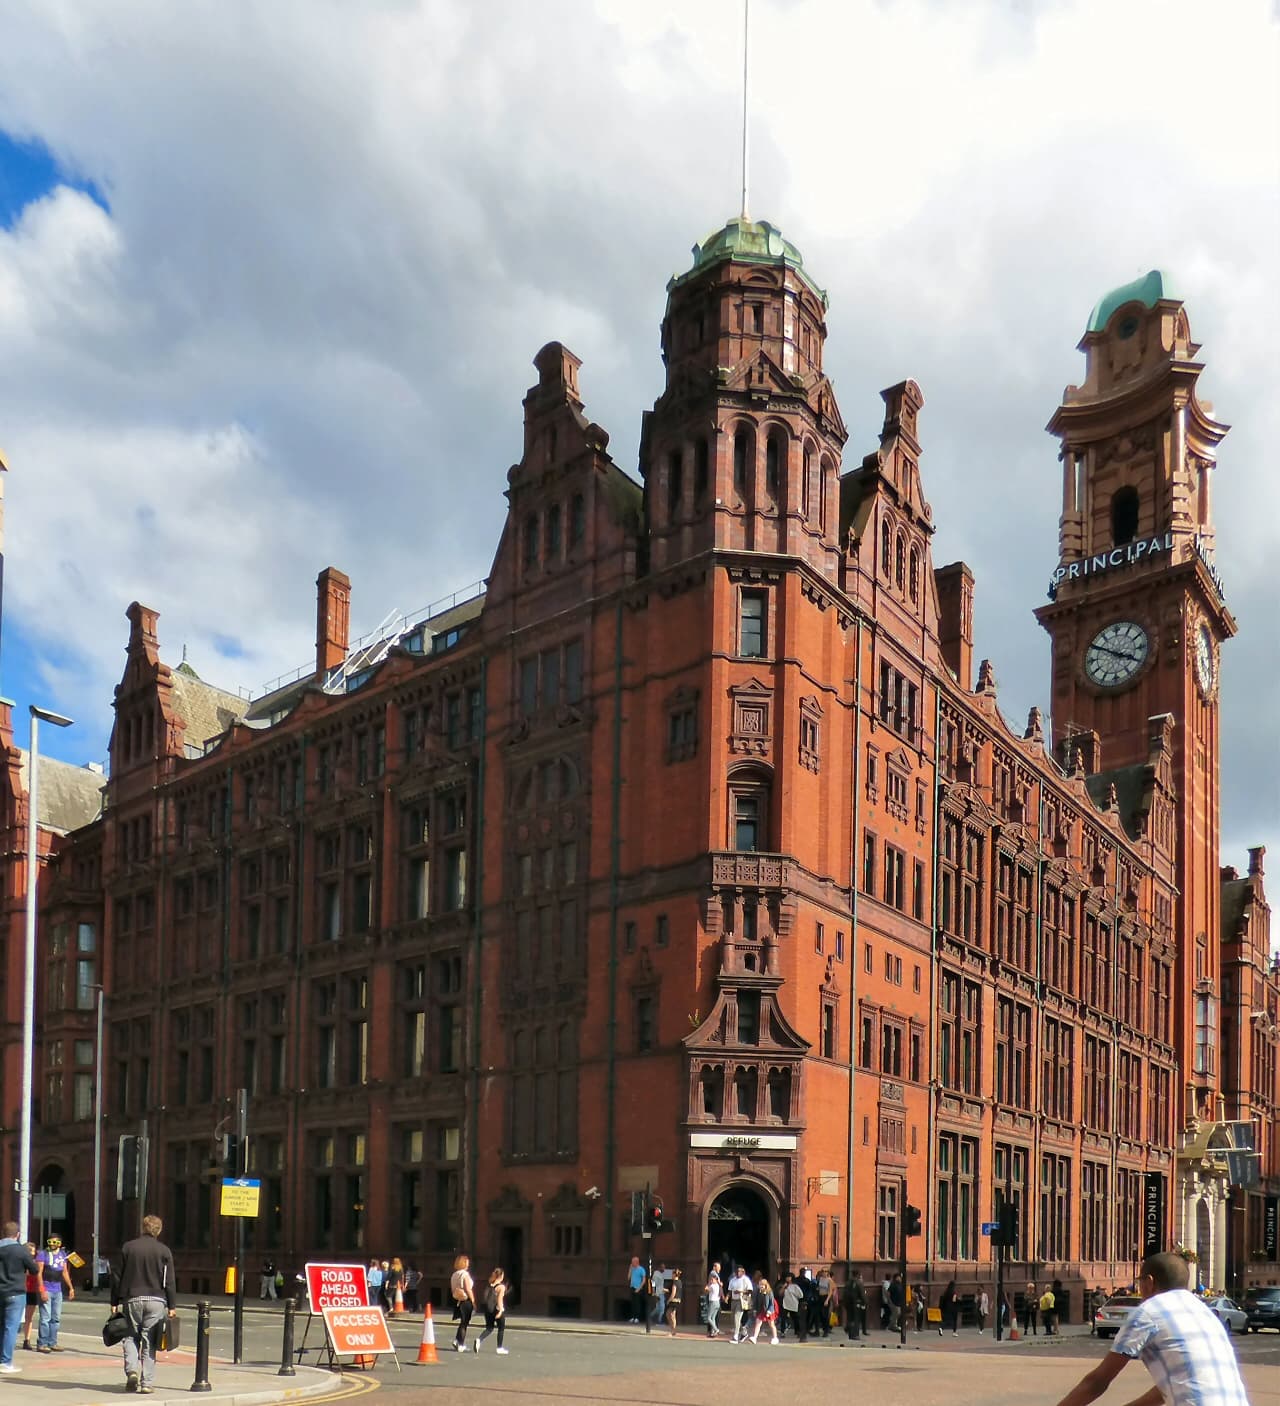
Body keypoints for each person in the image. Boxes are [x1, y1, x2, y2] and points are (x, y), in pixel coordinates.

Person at [1052, 1252, 1247, 1406]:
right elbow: (1173, 1383)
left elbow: (1097, 1382)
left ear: (1149, 1282)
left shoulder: (1149, 1312)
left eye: (1140, 1282)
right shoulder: (1203, 1312)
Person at [113, 1213, 177, 1394]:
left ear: (143, 1228)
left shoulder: (128, 1247)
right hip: (156, 1299)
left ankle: (131, 1371)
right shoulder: (164, 1251)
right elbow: (170, 1281)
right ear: (159, 1230)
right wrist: (172, 1306)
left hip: (132, 1298)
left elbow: (117, 1276)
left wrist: (114, 1300)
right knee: (150, 1340)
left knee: (130, 1336)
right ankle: (147, 1383)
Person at [0, 1225, 43, 1374]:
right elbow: (35, 1269)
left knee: (1, 1326)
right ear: (17, 1234)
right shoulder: (21, 1250)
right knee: (11, 1327)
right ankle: (5, 1362)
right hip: (15, 1291)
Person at [36, 1234, 74, 1351]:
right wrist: (42, 1290)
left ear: (60, 1244)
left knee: (55, 1318)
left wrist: (71, 1288)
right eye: (50, 1242)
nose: (53, 1244)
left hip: (57, 1290)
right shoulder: (43, 1254)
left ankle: (52, 1342)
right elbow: (39, 1273)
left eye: (55, 1242)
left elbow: (64, 1272)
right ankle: (42, 1343)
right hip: (46, 1288)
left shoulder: (62, 1254)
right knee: (45, 1318)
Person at [473, 1267, 508, 1354]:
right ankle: (499, 1348)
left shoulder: (489, 1284)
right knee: (501, 1328)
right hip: (496, 1309)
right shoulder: (501, 1287)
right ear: (501, 1276)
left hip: (488, 1309)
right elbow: (499, 1300)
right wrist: (500, 1311)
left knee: (489, 1328)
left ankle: (479, 1339)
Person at [450, 1254, 476, 1351]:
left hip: (457, 1300)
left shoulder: (454, 1275)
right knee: (464, 1323)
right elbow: (468, 1289)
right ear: (463, 1263)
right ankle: (460, 1344)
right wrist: (473, 1301)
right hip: (465, 1300)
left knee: (462, 1322)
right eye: (467, 1262)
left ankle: (457, 1340)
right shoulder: (465, 1275)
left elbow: (453, 1289)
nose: (468, 1265)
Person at [747, 1275, 779, 1345]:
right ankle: (754, 1338)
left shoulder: (769, 1292)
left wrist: (769, 1311)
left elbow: (772, 1303)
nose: (761, 1286)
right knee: (758, 1323)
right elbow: (756, 1301)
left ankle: (775, 1338)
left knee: (771, 1324)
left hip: (769, 1310)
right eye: (760, 1285)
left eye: (762, 1285)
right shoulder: (758, 1292)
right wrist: (755, 1309)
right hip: (761, 1310)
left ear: (765, 1285)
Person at [21, 1245, 40, 1351]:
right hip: (21, 1290)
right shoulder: (20, 1261)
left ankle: (26, 1340)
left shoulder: (35, 1263)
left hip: (32, 1291)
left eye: (34, 1251)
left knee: (29, 1317)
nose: (33, 1253)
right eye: (31, 1251)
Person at [727, 1265, 752, 1343]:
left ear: (743, 1272)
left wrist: (740, 1291)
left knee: (737, 1317)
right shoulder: (733, 1280)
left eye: (739, 1271)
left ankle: (735, 1337)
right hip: (734, 1300)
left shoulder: (746, 1280)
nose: (738, 1273)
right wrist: (727, 1297)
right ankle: (744, 1333)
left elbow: (750, 1290)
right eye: (737, 1271)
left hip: (741, 1300)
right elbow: (730, 1290)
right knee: (733, 1318)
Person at [842, 1270, 866, 1341]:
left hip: (848, 1304)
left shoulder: (848, 1283)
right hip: (856, 1303)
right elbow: (862, 1294)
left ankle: (850, 1334)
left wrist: (845, 1303)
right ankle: (855, 1335)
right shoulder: (859, 1283)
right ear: (858, 1275)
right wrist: (865, 1302)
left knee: (850, 1319)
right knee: (856, 1319)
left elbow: (844, 1294)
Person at [782, 1274, 805, 1341]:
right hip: (785, 1304)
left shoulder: (795, 1286)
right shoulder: (785, 1285)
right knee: (783, 1318)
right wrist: (783, 1287)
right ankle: (783, 1331)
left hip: (793, 1304)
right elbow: (780, 1294)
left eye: (789, 1277)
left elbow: (801, 1295)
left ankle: (797, 1331)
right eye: (786, 1277)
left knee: (795, 1318)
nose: (787, 1278)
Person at [703, 1262, 722, 1338]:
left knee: (709, 1318)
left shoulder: (713, 1285)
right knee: (713, 1317)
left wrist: (708, 1285)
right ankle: (713, 1332)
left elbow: (706, 1289)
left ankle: (716, 1330)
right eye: (718, 1267)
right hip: (717, 1302)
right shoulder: (716, 1284)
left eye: (712, 1279)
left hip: (713, 1302)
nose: (711, 1280)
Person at [627, 1256, 646, 1324]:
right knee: (633, 1303)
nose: (632, 1263)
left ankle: (637, 1317)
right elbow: (628, 1278)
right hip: (632, 1287)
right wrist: (630, 1269)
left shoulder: (641, 1269)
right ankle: (633, 1317)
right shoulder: (632, 1268)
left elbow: (644, 1280)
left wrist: (639, 1288)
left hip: (638, 1288)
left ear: (636, 1262)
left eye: (633, 1262)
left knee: (637, 1303)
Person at [664, 1269, 682, 1337]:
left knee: (669, 1314)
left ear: (674, 1274)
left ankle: (672, 1331)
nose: (671, 1275)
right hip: (677, 1300)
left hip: (674, 1300)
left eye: (672, 1274)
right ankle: (673, 1331)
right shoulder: (679, 1282)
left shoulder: (675, 1282)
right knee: (672, 1315)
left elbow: (673, 1293)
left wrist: (668, 1300)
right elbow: (670, 1290)